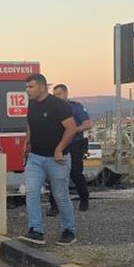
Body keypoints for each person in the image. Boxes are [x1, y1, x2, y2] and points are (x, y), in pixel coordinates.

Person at [20, 74, 78, 246]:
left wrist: (59, 149)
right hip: (35, 158)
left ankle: (69, 230)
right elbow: (30, 123)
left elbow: (71, 128)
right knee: (31, 192)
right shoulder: (32, 104)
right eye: (27, 87)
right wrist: (27, 140)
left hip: (57, 159)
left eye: (30, 87)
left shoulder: (59, 105)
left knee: (60, 195)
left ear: (42, 86)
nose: (27, 90)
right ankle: (36, 231)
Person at [51, 84, 92, 212]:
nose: (56, 97)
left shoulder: (75, 107)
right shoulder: (52, 108)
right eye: (55, 94)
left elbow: (87, 124)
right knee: (55, 175)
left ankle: (84, 198)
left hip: (74, 144)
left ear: (66, 93)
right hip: (57, 145)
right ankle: (54, 205)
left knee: (75, 173)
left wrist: (72, 130)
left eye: (59, 94)